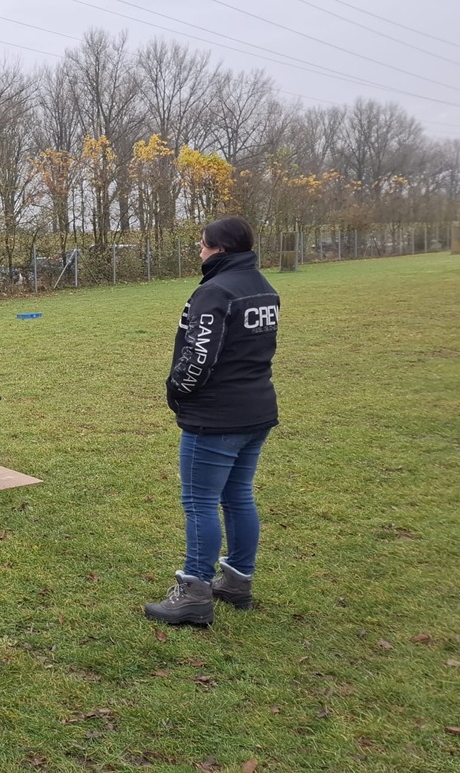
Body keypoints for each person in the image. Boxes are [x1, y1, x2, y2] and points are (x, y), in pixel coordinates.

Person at [145, 216, 280, 626]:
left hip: (216, 417)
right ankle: (237, 581)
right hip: (256, 410)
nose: (200, 251)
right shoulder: (264, 287)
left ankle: (194, 592)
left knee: (199, 501)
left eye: (203, 244)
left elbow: (198, 358)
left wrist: (176, 391)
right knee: (238, 496)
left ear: (220, 248)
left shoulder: (215, 291)